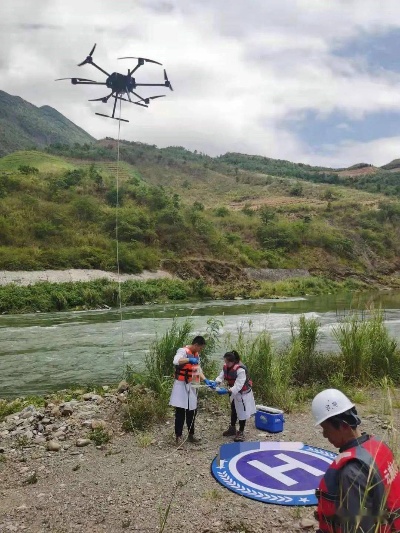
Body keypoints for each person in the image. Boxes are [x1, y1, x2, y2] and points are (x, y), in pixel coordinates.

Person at [312, 388, 400, 533]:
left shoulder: (352, 472)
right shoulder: (379, 445)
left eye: (326, 428)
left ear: (343, 425)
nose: (324, 435)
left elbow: (358, 528)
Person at [209, 350, 256, 442]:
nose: (225, 363)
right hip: (233, 392)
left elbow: (238, 385)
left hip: (242, 393)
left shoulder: (240, 370)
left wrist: (226, 391)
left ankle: (241, 432)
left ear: (233, 361)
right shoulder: (226, 367)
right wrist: (216, 382)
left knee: (242, 412)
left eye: (227, 362)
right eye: (225, 361)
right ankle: (232, 428)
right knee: (234, 409)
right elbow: (221, 376)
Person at [169, 335, 207, 446]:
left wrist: (205, 380)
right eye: (200, 348)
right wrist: (189, 359)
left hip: (192, 384)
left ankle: (191, 435)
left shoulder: (196, 355)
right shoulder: (182, 351)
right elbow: (176, 361)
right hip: (181, 385)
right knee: (180, 411)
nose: (200, 350)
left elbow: (197, 370)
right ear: (196, 345)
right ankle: (178, 436)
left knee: (192, 410)